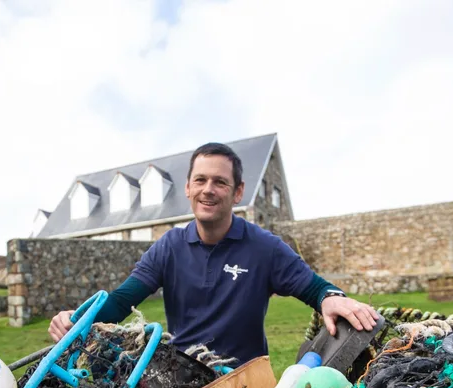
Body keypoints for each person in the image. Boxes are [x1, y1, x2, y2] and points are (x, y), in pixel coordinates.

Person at [49, 142, 380, 365]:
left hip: (245, 381)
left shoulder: (264, 246)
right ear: (188, 189)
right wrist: (76, 320)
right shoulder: (168, 246)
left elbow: (313, 287)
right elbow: (122, 301)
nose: (209, 189)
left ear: (237, 192)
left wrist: (331, 298)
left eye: (220, 182)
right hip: (181, 377)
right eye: (201, 180)